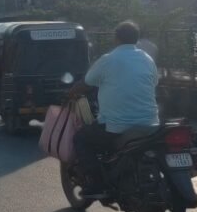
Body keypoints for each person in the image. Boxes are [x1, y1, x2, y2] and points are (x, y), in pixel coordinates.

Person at [68, 21, 159, 198]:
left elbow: (85, 83)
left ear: (116, 38)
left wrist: (70, 93)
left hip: (117, 127)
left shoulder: (108, 60)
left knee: (81, 139)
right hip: (150, 125)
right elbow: (154, 82)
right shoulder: (147, 59)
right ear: (136, 39)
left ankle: (96, 184)